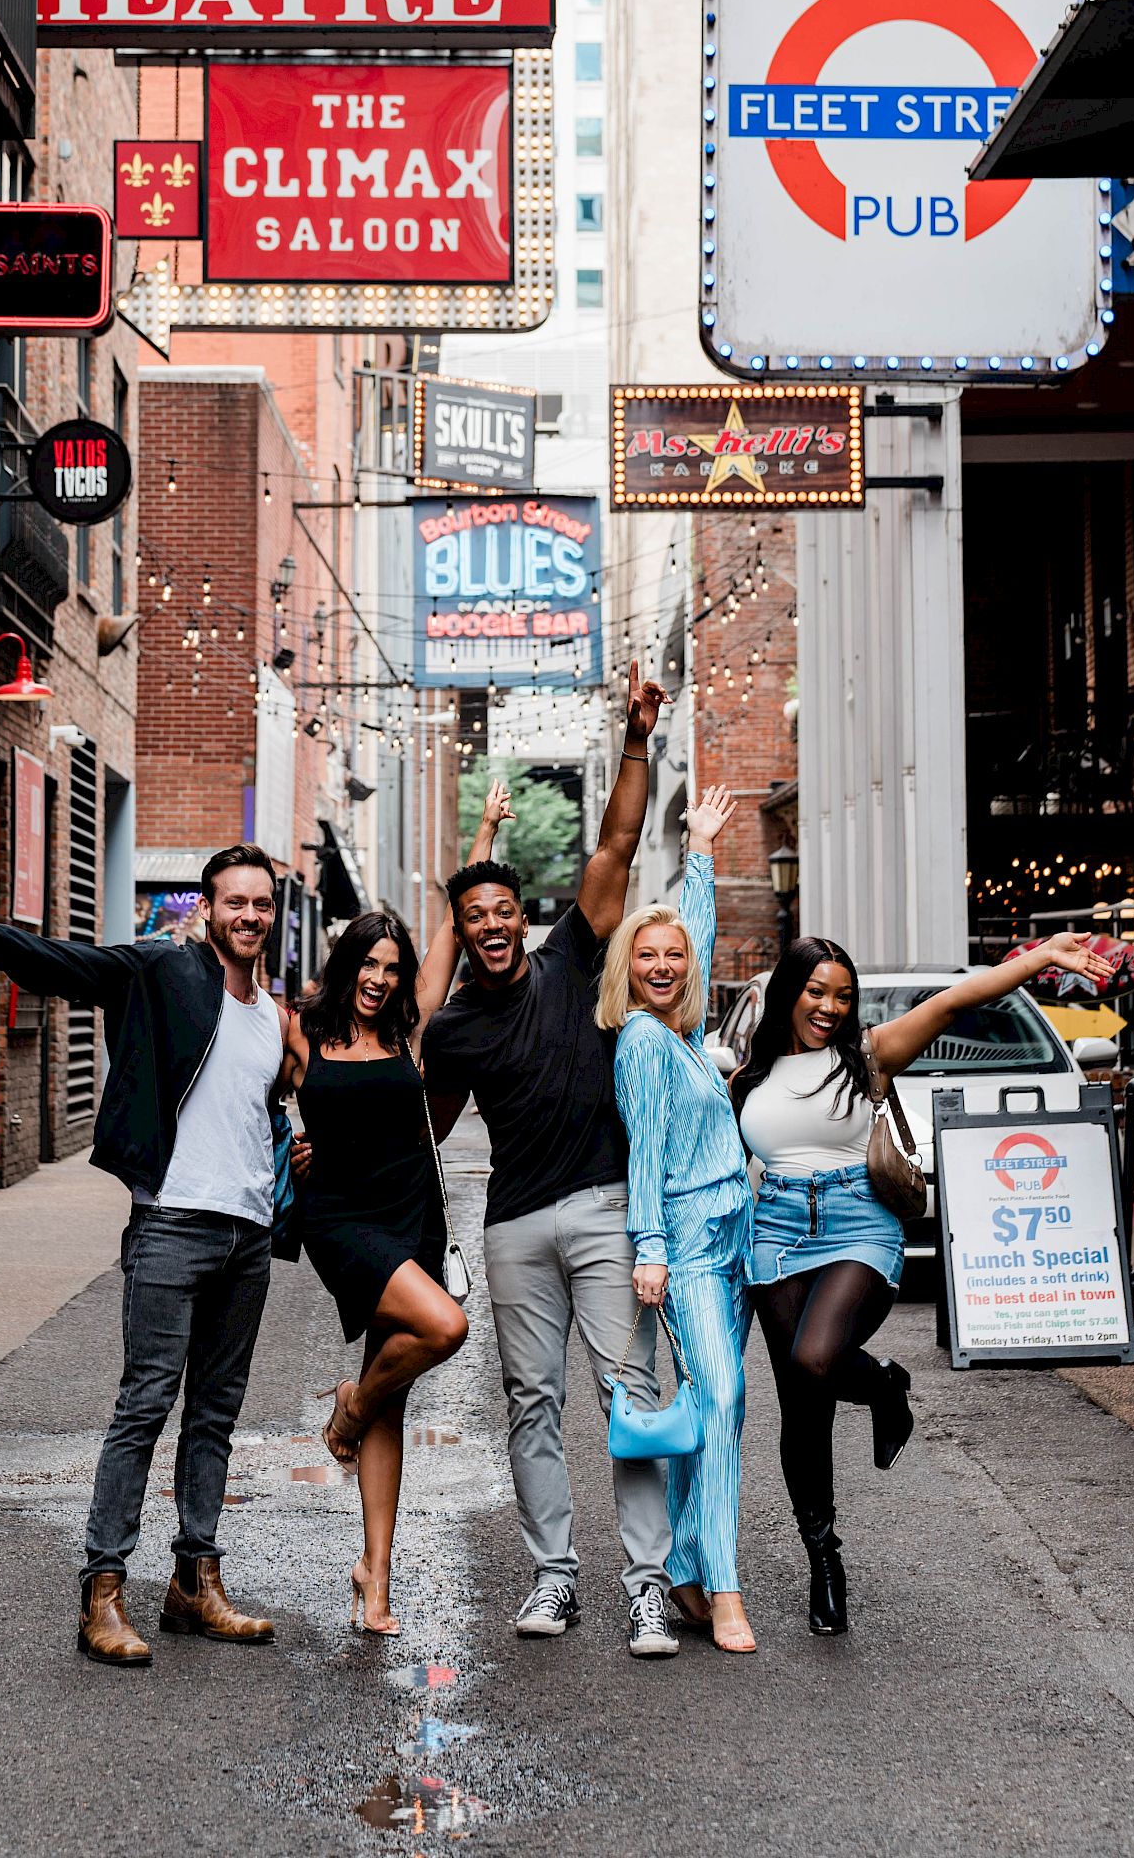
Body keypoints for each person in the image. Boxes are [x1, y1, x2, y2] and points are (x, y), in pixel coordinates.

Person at [0, 838, 289, 1669]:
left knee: (215, 1413)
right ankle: (103, 1591)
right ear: (206, 909)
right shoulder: (163, 972)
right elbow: (57, 963)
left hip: (247, 1232)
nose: (249, 916)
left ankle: (196, 1583)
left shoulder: (272, 1014)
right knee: (145, 1406)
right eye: (234, 902)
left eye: (261, 904)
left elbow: (257, 1114)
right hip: (173, 1224)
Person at [732, 928, 1106, 1636]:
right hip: (775, 1231)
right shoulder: (748, 1077)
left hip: (858, 1226)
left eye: (843, 996)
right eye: (817, 992)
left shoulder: (869, 1055)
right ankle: (824, 1558)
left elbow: (962, 996)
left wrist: (1043, 957)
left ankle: (881, 1387)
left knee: (817, 1359)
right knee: (802, 1405)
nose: (830, 1008)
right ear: (790, 991)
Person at [421, 662, 684, 1660]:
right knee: (529, 1401)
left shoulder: (575, 954)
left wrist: (634, 738)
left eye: (500, 911)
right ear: (462, 929)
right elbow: (431, 1132)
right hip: (514, 1226)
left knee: (628, 1396)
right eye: (471, 917)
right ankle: (553, 1577)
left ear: (519, 915)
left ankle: (646, 1587)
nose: (488, 925)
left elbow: (616, 839)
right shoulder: (451, 1033)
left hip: (608, 1208)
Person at [285, 785, 512, 1636]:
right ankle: (348, 1406)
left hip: (411, 1209)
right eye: (368, 967)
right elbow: (249, 1103)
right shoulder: (303, 1034)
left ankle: (374, 1578)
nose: (380, 981)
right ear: (348, 967)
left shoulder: (411, 1033)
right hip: (340, 1218)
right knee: (446, 1328)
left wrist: (483, 833)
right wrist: (286, 1152)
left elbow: (453, 926)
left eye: (391, 968)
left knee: (398, 1400)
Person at [598, 796, 757, 1655]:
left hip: (738, 1236)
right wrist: (651, 1249)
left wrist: (699, 851)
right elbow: (647, 1155)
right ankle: (723, 1590)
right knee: (723, 1397)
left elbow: (686, 933)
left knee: (714, 1410)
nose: (661, 966)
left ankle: (694, 1568)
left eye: (672, 957)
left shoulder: (686, 1031)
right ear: (629, 968)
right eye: (646, 957)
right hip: (690, 1242)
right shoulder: (644, 1044)